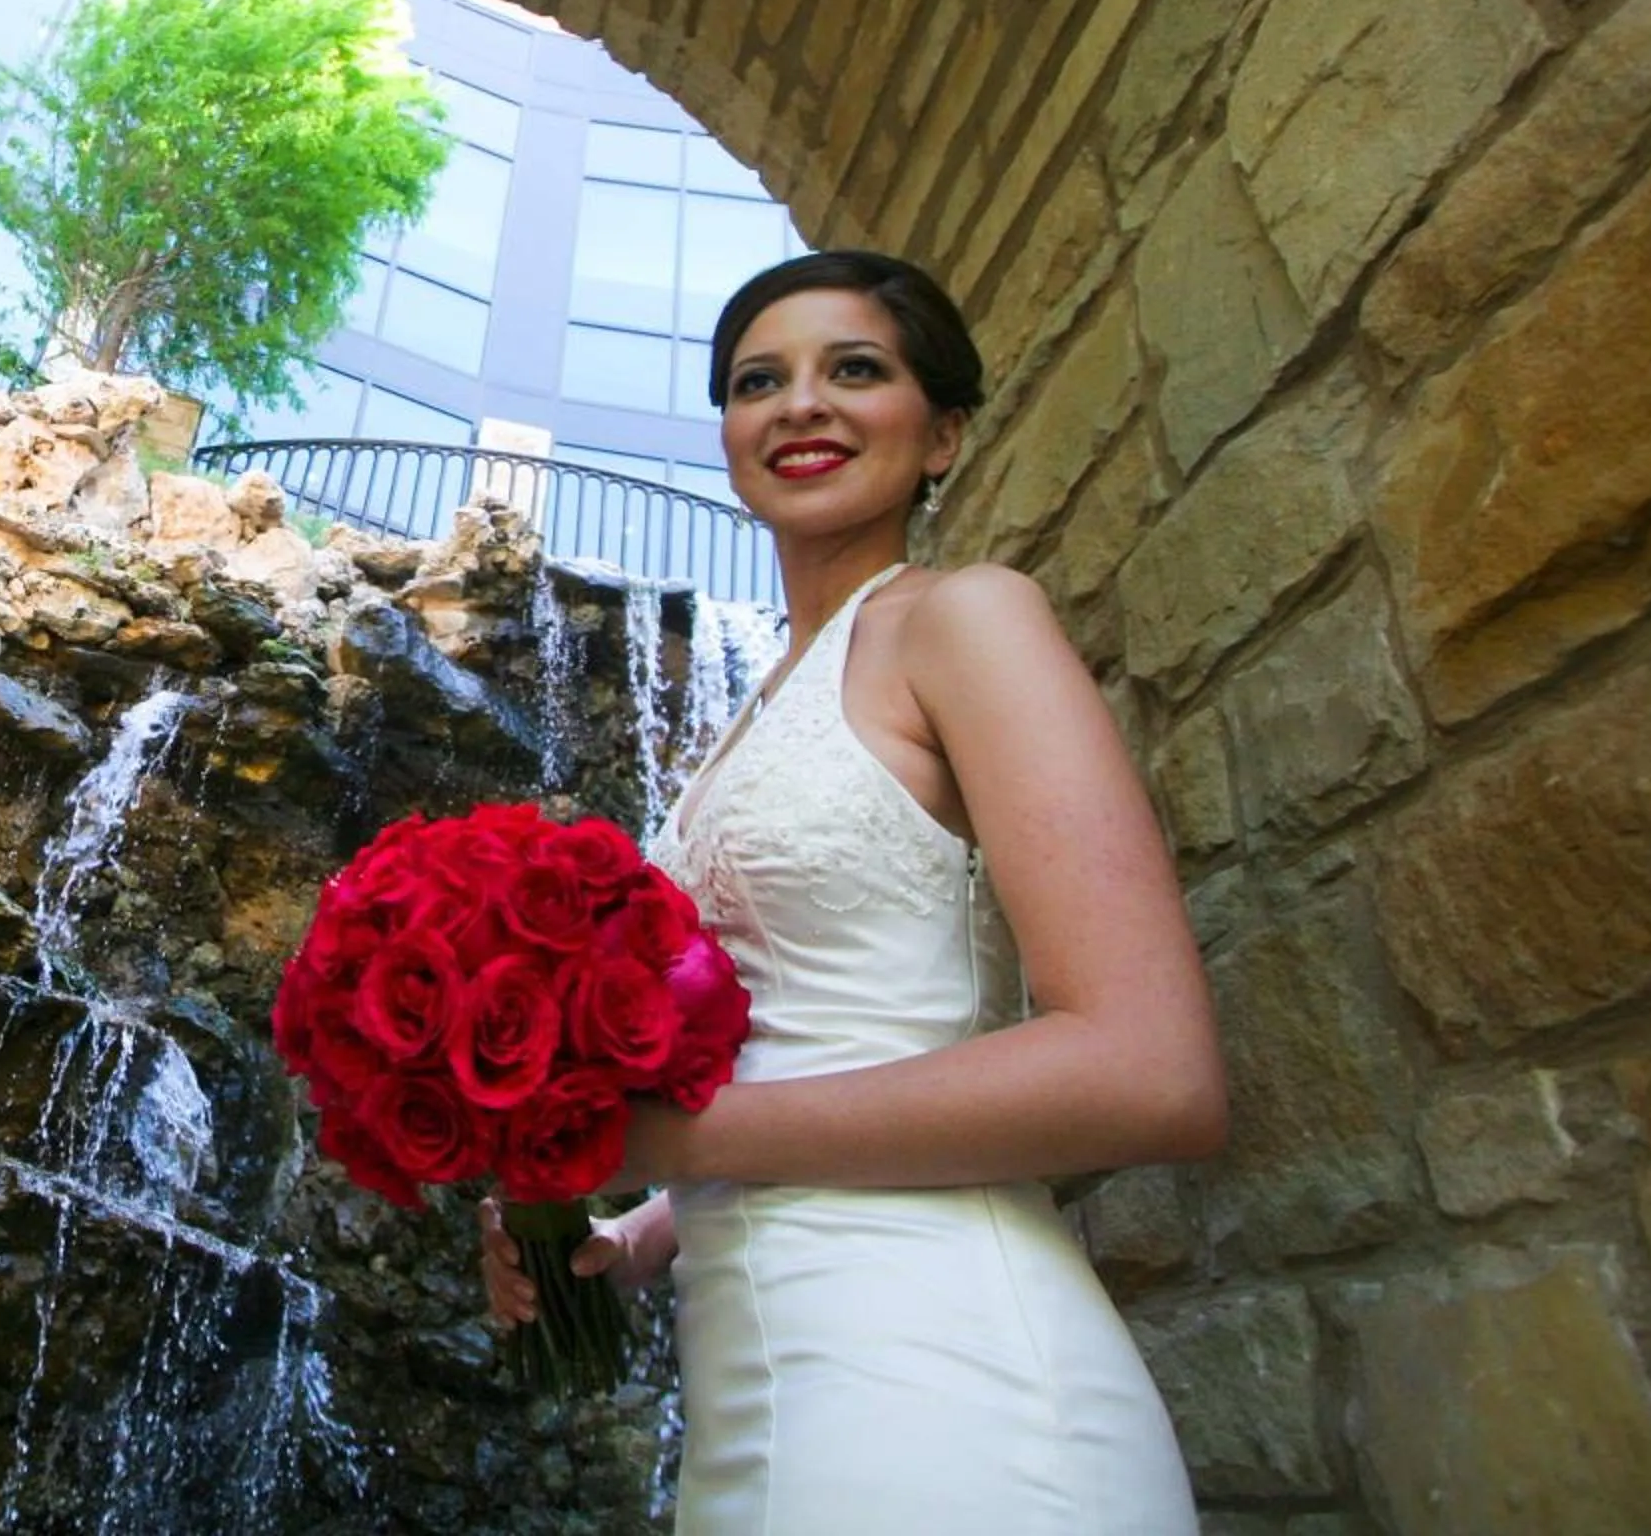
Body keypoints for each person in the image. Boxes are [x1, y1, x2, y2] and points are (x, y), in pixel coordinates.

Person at [479, 250, 1224, 1533]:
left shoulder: (966, 619)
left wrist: (664, 1141)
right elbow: (803, 1041)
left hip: (949, 1382)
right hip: (758, 1391)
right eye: (758, 380)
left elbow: (1152, 1070)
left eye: (856, 368)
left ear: (944, 434)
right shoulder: (750, 713)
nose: (801, 403)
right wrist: (634, 1229)